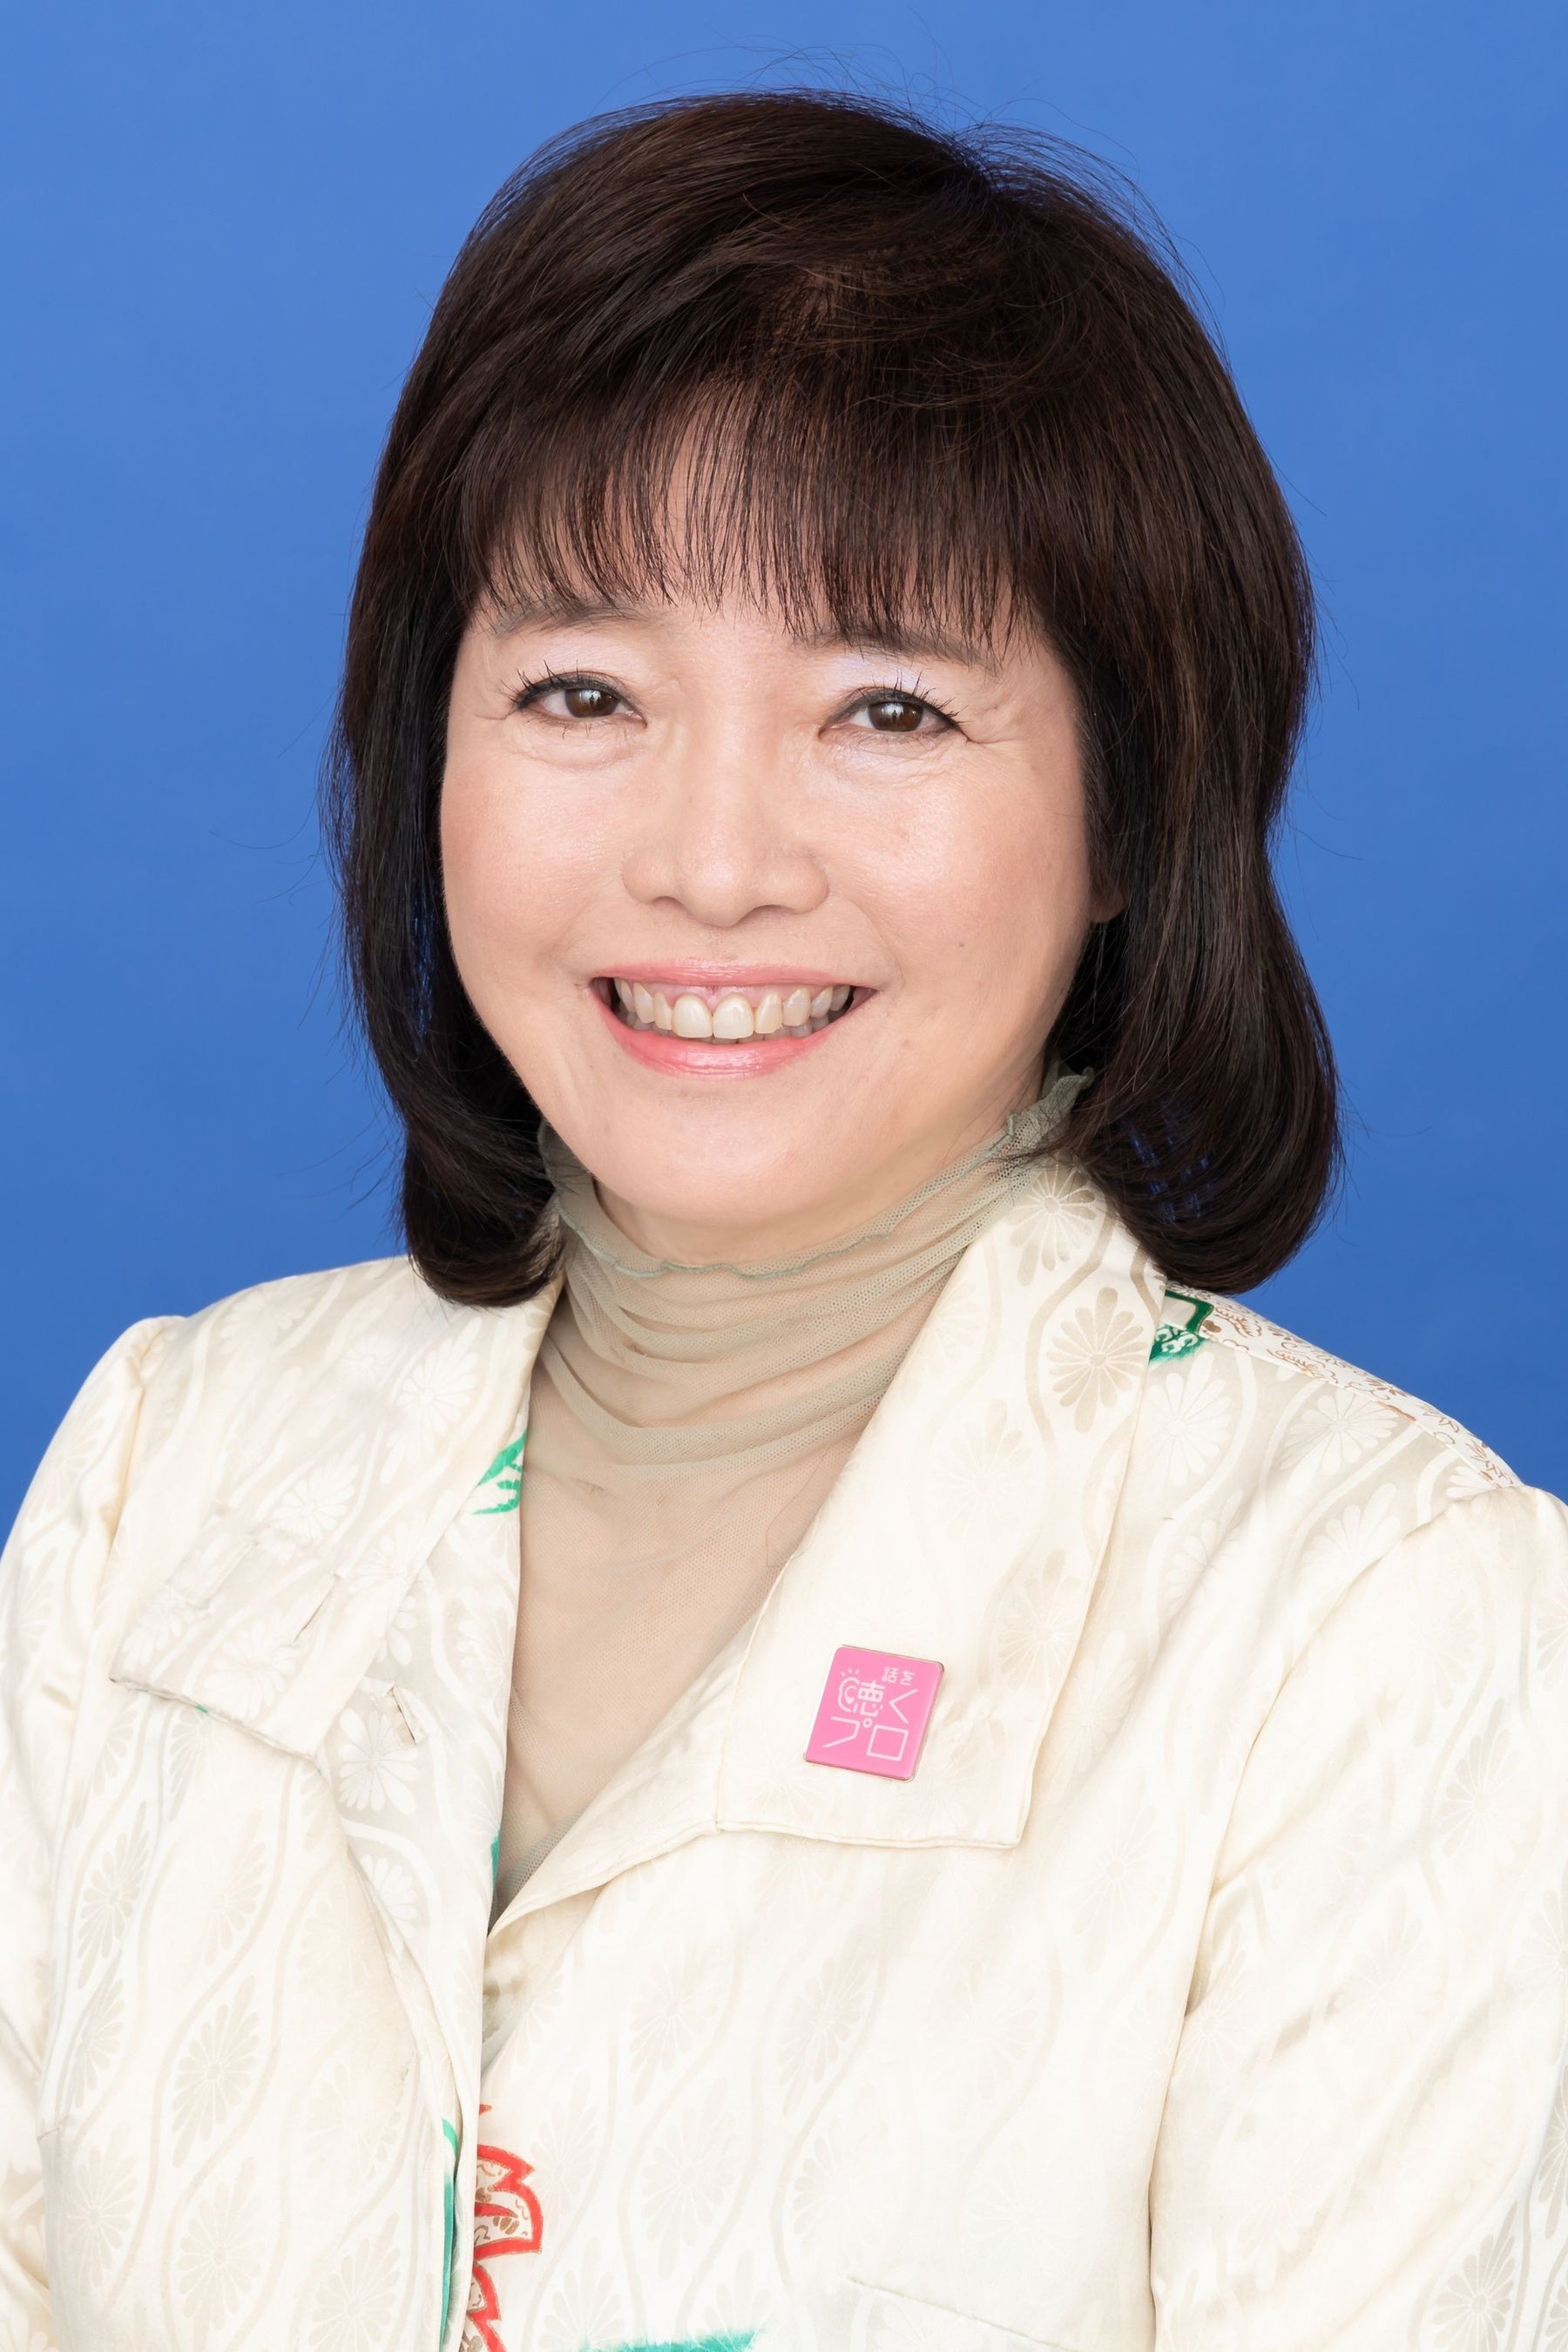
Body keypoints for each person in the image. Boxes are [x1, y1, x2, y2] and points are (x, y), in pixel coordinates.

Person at [3, 87, 1565, 2352]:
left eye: (886, 707)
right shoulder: (169, 1469)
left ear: (1131, 816)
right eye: (582, 691)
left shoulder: (1385, 1626)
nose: (712, 861)